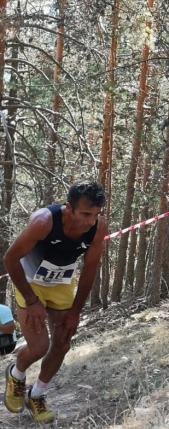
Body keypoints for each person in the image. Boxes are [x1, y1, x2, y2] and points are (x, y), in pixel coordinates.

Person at [3, 181, 107, 423]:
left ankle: (37, 395)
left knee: (62, 343)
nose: (90, 221)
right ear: (69, 208)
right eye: (85, 214)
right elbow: (10, 259)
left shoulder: (98, 228)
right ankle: (16, 374)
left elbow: (90, 269)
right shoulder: (44, 222)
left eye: (96, 215)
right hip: (30, 282)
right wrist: (31, 301)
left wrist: (76, 311)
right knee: (39, 347)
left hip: (61, 283)